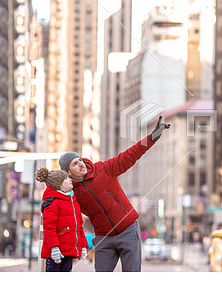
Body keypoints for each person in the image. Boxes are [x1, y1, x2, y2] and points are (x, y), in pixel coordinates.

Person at [58, 116, 170, 271]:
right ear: (68, 172)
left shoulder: (103, 169)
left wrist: (152, 138)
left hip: (128, 230)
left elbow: (130, 155)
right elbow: (64, 213)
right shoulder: (72, 192)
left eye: (80, 160)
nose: (81, 164)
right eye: (75, 164)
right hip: (104, 237)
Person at [35, 167, 88, 272]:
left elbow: (79, 227)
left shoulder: (73, 201)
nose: (70, 180)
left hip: (69, 251)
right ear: (58, 184)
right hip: (56, 252)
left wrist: (83, 246)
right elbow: (49, 227)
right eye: (66, 178)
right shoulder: (53, 203)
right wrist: (54, 247)